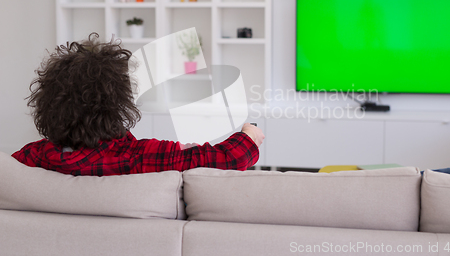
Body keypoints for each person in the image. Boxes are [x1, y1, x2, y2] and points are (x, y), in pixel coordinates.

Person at [12, 34, 264, 176]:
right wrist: (249, 135)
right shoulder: (141, 158)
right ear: (118, 103)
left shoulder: (30, 157)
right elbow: (230, 157)